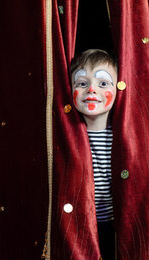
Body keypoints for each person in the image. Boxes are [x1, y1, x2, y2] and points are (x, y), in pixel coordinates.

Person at [70, 49, 118, 259]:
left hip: (112, 226)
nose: (91, 89)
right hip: (77, 227)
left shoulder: (124, 138)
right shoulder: (66, 136)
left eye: (103, 83)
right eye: (81, 83)